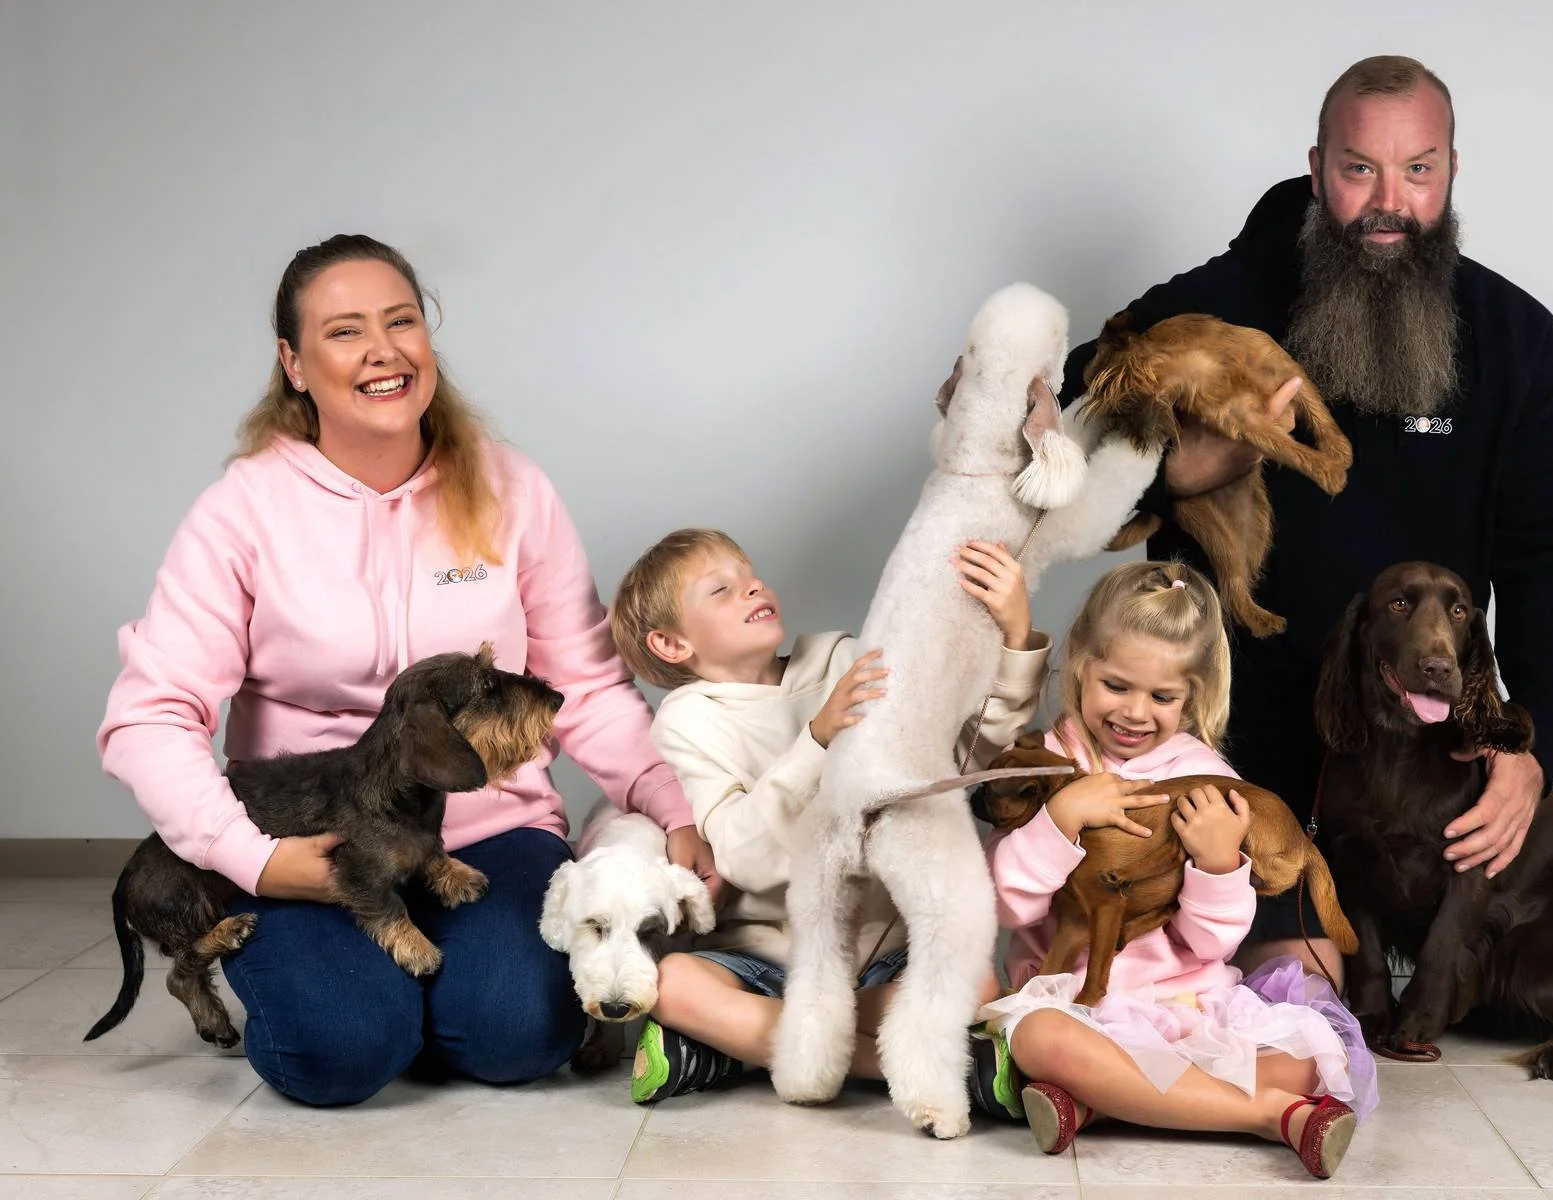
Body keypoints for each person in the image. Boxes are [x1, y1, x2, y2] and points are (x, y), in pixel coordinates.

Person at [96, 234, 716, 1106]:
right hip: (318, 843)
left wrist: (672, 805)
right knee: (337, 1057)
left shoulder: (510, 487)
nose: (384, 350)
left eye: (402, 321)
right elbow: (150, 717)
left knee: (520, 1038)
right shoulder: (241, 511)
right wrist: (254, 859)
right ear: (294, 363)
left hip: (485, 837)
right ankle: (373, 1004)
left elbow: (584, 683)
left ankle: (429, 1000)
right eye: (345, 332)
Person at [1059, 55, 1553, 984]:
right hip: (1238, 737)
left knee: (1530, 968)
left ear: (1452, 171)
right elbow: (1073, 413)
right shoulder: (1222, 302)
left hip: (1417, 750)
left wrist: (1535, 746)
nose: (1389, 201)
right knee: (1287, 984)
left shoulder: (1516, 338)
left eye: (1418, 169)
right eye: (1360, 170)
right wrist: (1178, 466)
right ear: (1317, 168)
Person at [608, 527, 1049, 1115]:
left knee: (977, 987)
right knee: (676, 985)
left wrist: (1016, 639)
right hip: (767, 955)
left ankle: (731, 1052)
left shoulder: (842, 658)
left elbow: (967, 754)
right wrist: (817, 739)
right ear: (670, 644)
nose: (753, 587)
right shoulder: (688, 722)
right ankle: (917, 1069)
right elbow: (745, 857)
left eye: (751, 575)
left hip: (879, 950)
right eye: (722, 589)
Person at [978, 561, 1374, 1176]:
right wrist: (1059, 819)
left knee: (1311, 1057)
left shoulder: (1208, 781)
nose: (1135, 712)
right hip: (1078, 1007)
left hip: (1186, 1006)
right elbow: (1007, 908)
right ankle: (1270, 1115)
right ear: (1080, 664)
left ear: (1194, 695)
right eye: (1116, 685)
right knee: (1038, 1040)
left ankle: (1105, 1106)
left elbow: (1209, 943)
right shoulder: (1049, 758)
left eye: (1162, 697)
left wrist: (1218, 864)